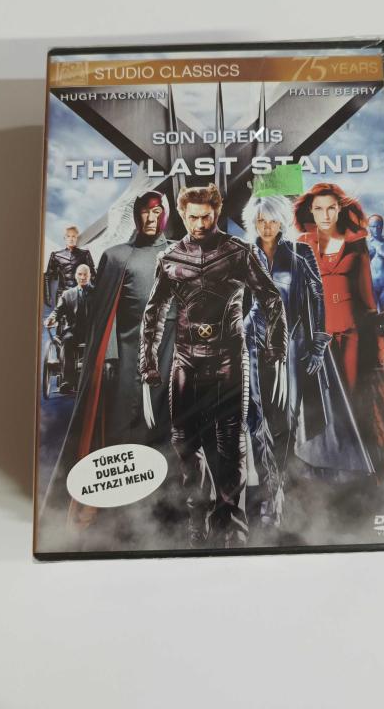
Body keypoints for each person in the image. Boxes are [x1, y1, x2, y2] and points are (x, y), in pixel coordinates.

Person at [139, 184, 288, 548]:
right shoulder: (171, 258)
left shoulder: (238, 253)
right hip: (186, 360)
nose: (200, 224)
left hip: (228, 359)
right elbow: (153, 313)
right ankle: (197, 519)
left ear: (216, 213)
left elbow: (271, 299)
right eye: (192, 217)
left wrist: (277, 351)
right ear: (182, 214)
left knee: (230, 445)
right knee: (184, 443)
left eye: (206, 216)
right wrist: (147, 366)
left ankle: (233, 530)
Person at [42, 191, 176, 528]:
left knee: (167, 426)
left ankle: (167, 508)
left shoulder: (180, 252)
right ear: (137, 215)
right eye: (144, 212)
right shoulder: (116, 257)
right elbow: (105, 315)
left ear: (164, 215)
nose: (150, 218)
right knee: (122, 426)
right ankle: (120, 509)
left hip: (171, 352)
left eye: (156, 212)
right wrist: (112, 355)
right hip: (129, 354)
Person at [294, 183, 384, 472]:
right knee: (320, 399)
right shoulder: (302, 244)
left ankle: (359, 462)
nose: (325, 215)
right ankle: (325, 460)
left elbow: (368, 301)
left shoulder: (357, 244)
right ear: (310, 211)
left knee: (352, 395)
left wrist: (381, 347)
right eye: (318, 209)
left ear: (339, 209)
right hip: (317, 336)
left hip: (352, 334)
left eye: (331, 208)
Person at [242, 194, 334, 525]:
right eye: (261, 221)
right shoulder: (244, 254)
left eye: (272, 220)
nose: (267, 227)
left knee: (285, 419)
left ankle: (278, 489)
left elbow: (318, 296)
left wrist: (318, 344)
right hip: (251, 342)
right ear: (253, 222)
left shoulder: (299, 253)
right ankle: (269, 492)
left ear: (282, 221)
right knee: (255, 419)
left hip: (290, 345)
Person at [44, 264, 93, 393]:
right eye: (80, 274)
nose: (83, 277)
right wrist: (51, 319)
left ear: (90, 276)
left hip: (92, 331)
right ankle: (67, 381)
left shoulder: (97, 293)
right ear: (76, 276)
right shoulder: (67, 294)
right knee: (67, 340)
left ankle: (93, 380)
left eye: (85, 274)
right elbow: (57, 312)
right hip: (73, 330)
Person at [44, 226, 97, 306]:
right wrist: (47, 297)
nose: (71, 239)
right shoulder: (56, 255)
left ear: (77, 238)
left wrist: (95, 295)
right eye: (68, 236)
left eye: (73, 236)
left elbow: (93, 275)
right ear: (64, 238)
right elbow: (48, 276)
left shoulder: (85, 254)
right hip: (62, 294)